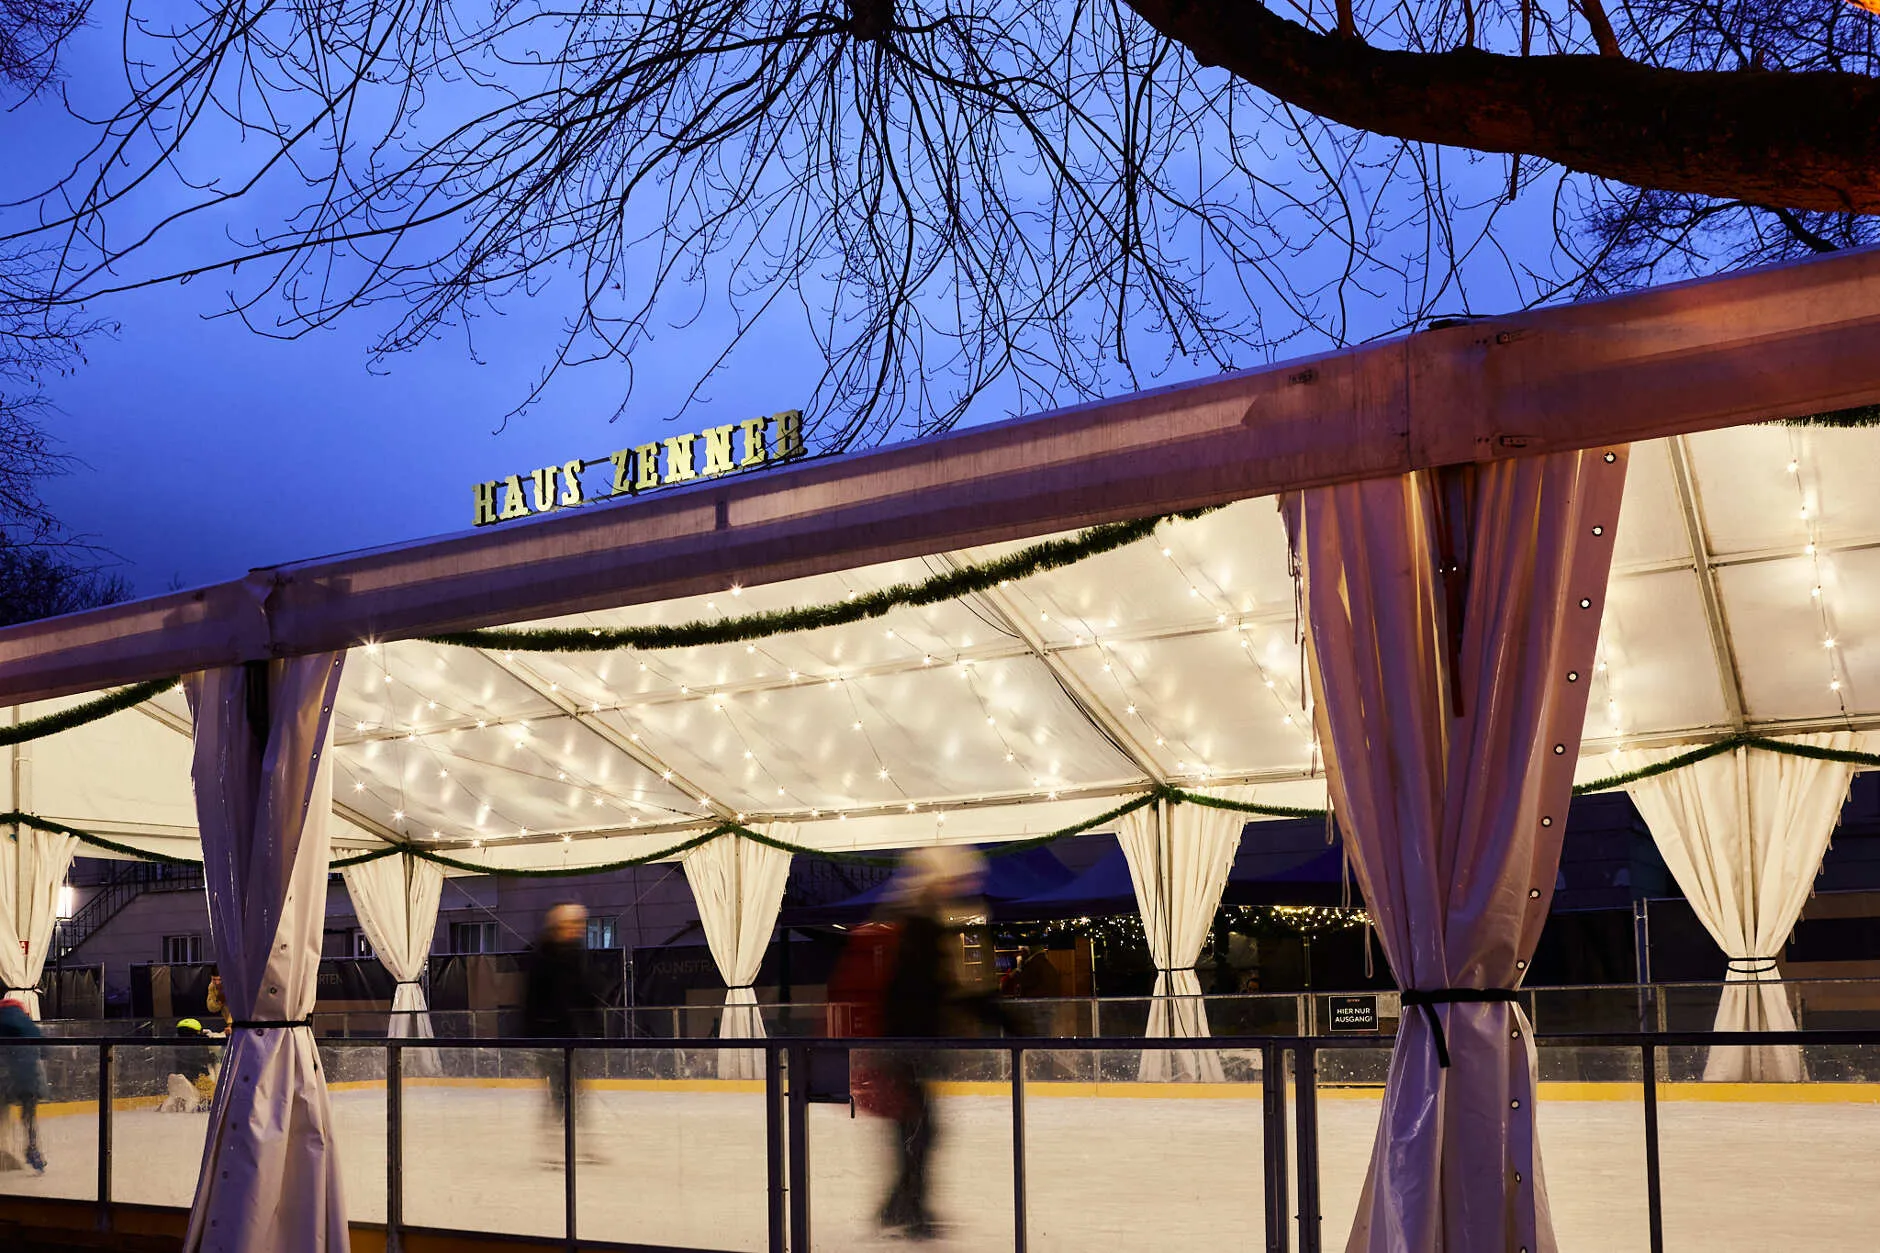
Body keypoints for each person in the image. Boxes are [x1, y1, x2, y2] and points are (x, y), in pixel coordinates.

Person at [872, 846, 1016, 1241]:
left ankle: (898, 1206)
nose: (963, 888)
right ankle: (907, 1210)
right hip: (904, 1050)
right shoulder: (918, 925)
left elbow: (954, 987)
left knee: (918, 1132)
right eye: (957, 879)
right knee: (919, 1132)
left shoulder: (913, 920)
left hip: (905, 1048)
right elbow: (945, 988)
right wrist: (1003, 1018)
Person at [523, 903, 607, 1164]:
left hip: (574, 1035)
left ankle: (583, 1143)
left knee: (577, 1094)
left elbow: (586, 994)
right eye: (571, 925)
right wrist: (532, 1036)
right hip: (548, 1036)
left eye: (578, 926)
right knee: (557, 1095)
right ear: (559, 926)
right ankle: (552, 1145)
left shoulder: (576, 955)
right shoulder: (541, 957)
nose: (576, 930)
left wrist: (593, 1027)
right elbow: (530, 1000)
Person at [0, 996, 47, 1174]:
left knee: (2, 1112)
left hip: (4, 1077)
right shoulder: (27, 1022)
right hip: (29, 1078)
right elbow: (45, 1050)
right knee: (29, 1115)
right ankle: (32, 1149)